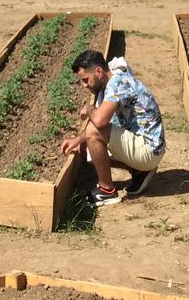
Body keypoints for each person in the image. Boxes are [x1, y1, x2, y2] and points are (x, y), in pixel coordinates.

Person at [60, 50, 166, 206]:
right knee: (85, 149)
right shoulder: (113, 84)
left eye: (85, 80)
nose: (84, 85)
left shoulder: (118, 84)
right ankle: (139, 171)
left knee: (93, 132)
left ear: (98, 71)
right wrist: (77, 140)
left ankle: (107, 191)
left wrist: (89, 109)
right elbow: (103, 123)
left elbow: (100, 123)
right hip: (147, 147)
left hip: (149, 150)